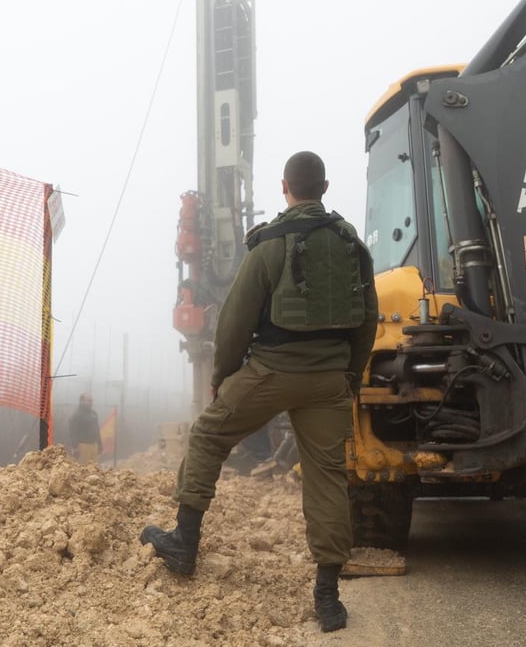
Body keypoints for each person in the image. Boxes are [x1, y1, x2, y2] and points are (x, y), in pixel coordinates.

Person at [140, 151, 378, 633]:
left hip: (271, 371)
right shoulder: (352, 244)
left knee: (208, 436)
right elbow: (368, 318)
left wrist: (223, 375)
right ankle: (328, 598)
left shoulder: (270, 243)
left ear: (285, 187)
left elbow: (234, 319)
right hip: (330, 379)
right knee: (327, 477)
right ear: (326, 187)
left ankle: (184, 544)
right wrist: (348, 375)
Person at [68, 392, 103, 466]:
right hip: (83, 446)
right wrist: (75, 447)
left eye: (91, 401)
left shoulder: (94, 414)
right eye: (89, 401)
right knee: (83, 470)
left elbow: (97, 430)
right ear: (82, 401)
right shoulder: (76, 415)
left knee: (95, 470)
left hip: (94, 445)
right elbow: (73, 432)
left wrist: (100, 444)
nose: (91, 403)